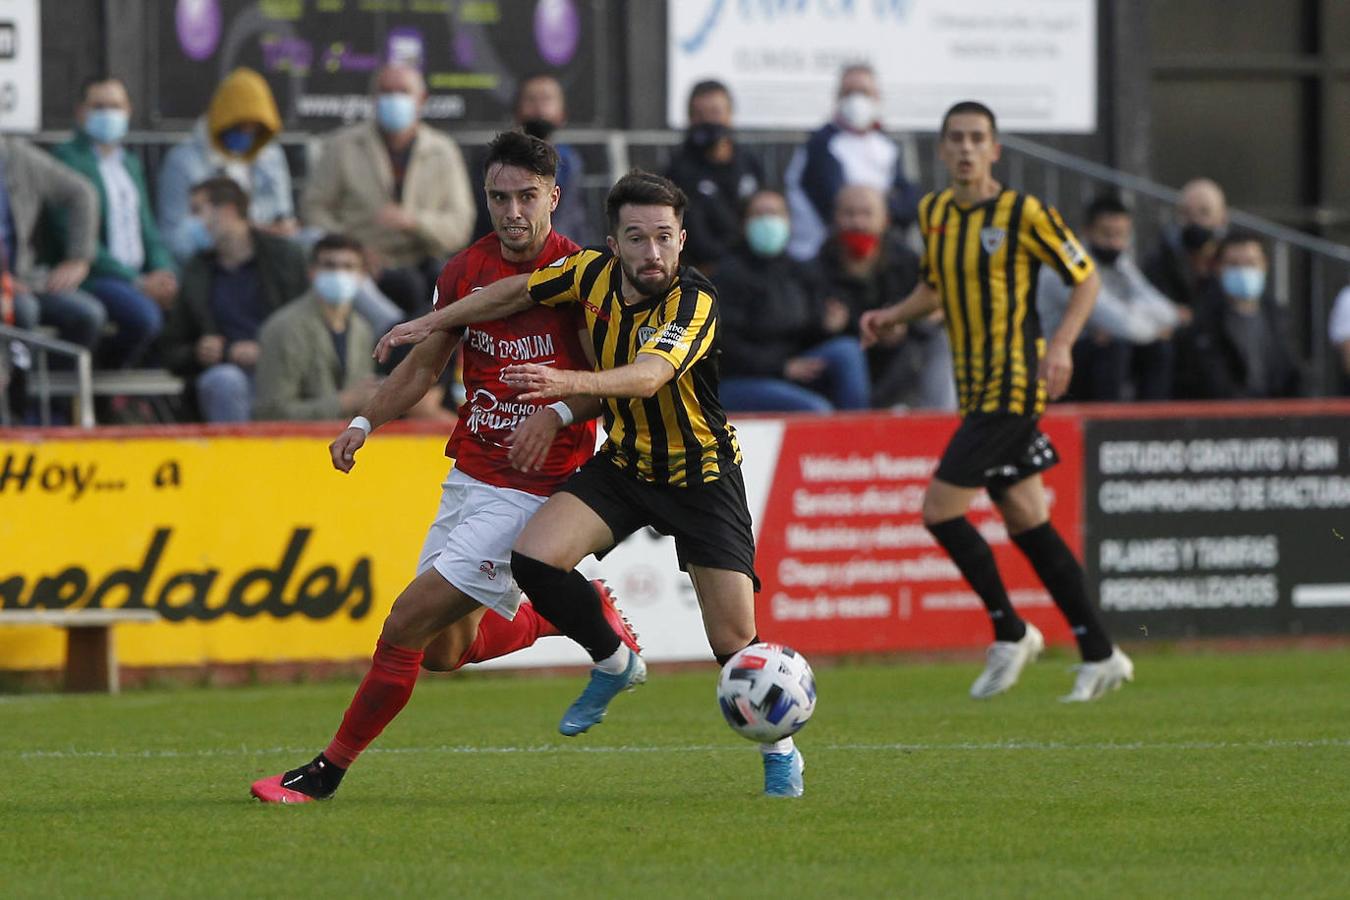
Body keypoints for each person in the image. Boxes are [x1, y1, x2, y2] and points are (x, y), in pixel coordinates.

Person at [373, 170, 807, 798]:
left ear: (682, 240)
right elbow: (512, 293)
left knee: (734, 643)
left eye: (663, 237)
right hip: (628, 465)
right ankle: (611, 659)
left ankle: (781, 752)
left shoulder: (695, 302)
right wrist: (433, 321)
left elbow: (647, 377)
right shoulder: (590, 275)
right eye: (636, 238)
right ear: (615, 243)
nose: (651, 252)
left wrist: (564, 388)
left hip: (702, 477)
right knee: (533, 559)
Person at [250, 132, 640, 804]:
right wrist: (365, 421)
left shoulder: (583, 278)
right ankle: (566, 611)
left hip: (534, 487)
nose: (512, 210)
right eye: (498, 197)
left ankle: (325, 774)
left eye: (526, 196)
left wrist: (560, 410)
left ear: (554, 196)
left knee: (403, 622)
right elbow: (426, 363)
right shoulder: (465, 271)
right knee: (439, 651)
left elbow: (614, 381)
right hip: (469, 474)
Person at [859, 101, 1133, 703]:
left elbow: (1084, 276)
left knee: (940, 510)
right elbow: (936, 286)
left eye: (976, 138)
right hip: (974, 387)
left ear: (995, 149)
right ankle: (1101, 652)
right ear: (941, 148)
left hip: (1015, 386)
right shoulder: (933, 213)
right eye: (955, 138)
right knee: (1028, 521)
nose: (965, 148)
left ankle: (1011, 632)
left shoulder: (1023, 212)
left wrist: (1061, 346)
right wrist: (892, 315)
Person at [301, 63, 476, 317]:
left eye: (403, 91)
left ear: (422, 100)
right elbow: (313, 208)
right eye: (386, 91)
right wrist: (352, 248)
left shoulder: (443, 151)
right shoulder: (342, 147)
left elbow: (459, 227)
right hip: (362, 269)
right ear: (373, 99)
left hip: (424, 267)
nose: (394, 99)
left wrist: (415, 222)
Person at [48, 75, 176, 369]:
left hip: (138, 276)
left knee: (188, 304)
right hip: (96, 276)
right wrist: (139, 282)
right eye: (99, 106)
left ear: (129, 110)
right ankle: (104, 387)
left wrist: (163, 272)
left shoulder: (129, 163)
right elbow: (76, 237)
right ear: (81, 112)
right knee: (144, 317)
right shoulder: (67, 160)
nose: (109, 114)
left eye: (116, 106)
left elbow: (147, 229)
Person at [160, 178, 309, 422]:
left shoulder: (285, 259)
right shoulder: (196, 270)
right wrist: (197, 352)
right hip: (224, 376)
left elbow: (309, 326)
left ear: (228, 211)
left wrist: (268, 351)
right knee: (225, 380)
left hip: (283, 375)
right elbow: (170, 350)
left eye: (198, 210)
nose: (191, 222)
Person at [713, 188, 870, 413]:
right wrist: (780, 367)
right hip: (742, 379)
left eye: (776, 213)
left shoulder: (799, 271)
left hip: (790, 367)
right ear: (743, 223)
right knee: (817, 410)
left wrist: (828, 327)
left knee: (847, 350)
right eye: (759, 214)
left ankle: (860, 437)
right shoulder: (728, 275)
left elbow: (806, 330)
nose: (768, 221)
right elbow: (724, 345)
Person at [815, 184, 954, 410]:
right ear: (835, 218)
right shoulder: (816, 267)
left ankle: (937, 422)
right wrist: (828, 327)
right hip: (848, 364)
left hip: (902, 360)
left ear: (885, 220)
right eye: (849, 213)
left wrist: (906, 323)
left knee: (941, 343)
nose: (858, 223)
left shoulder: (908, 262)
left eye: (867, 214)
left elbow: (938, 306)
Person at [1038, 195, 1186, 402]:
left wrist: (1133, 317)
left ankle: (1153, 423)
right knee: (1114, 347)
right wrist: (1153, 326)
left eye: (1122, 235)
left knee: (1159, 349)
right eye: (1107, 234)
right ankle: (1109, 426)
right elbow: (1124, 325)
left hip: (1100, 350)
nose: (1115, 243)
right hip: (1054, 362)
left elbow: (1165, 310)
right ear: (1087, 231)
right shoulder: (1064, 267)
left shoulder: (1120, 263)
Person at [157, 68, 298, 264]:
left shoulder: (270, 157)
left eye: (254, 130)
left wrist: (280, 228)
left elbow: (283, 216)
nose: (246, 135)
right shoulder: (183, 162)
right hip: (208, 264)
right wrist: (232, 235)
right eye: (240, 127)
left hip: (264, 263)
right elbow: (173, 238)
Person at [785, 63, 920, 262]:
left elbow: (909, 199)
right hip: (821, 254)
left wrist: (887, 209)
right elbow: (835, 203)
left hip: (876, 254)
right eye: (849, 92)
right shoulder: (820, 144)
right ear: (837, 98)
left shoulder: (886, 145)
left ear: (877, 97)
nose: (857, 99)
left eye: (864, 92)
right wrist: (881, 206)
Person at [253, 234, 382, 420]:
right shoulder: (283, 328)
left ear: (362, 276)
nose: (339, 274)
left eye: (348, 267)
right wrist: (344, 402)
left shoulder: (362, 330)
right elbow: (270, 413)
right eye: (329, 265)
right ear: (312, 272)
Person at [2, 135, 105, 365]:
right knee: (24, 311)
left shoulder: (17, 156)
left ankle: (60, 400)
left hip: (23, 279)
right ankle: (19, 397)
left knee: (88, 314)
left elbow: (83, 193)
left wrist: (79, 257)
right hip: (11, 292)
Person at [1173, 230, 1303, 400]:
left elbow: (1293, 374)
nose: (1243, 271)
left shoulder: (1280, 320)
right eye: (1233, 264)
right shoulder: (1202, 325)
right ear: (1219, 268)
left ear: (1264, 265)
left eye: (1250, 263)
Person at [664, 80, 763, 273]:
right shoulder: (679, 169)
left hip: (750, 266)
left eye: (715, 113)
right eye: (700, 115)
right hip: (702, 271)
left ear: (730, 115)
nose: (708, 121)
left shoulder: (749, 162)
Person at [1143, 177, 1228, 311]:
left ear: (1222, 217)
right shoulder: (1160, 263)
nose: (1194, 221)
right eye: (1186, 213)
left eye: (1204, 213)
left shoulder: (1232, 263)